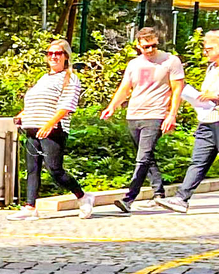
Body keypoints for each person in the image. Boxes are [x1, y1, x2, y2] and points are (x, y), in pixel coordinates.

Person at [99, 24, 184, 214]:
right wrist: (112, 106)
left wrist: (172, 114)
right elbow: (125, 88)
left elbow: (178, 89)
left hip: (156, 115)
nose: (150, 50)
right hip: (134, 114)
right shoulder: (134, 64)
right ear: (138, 46)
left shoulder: (170, 61)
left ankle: (129, 198)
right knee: (146, 156)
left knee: (143, 157)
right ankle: (159, 193)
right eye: (146, 47)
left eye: (153, 45)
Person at [15, 39, 85, 218]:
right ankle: (30, 207)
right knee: (32, 168)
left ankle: (82, 196)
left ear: (66, 57)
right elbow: (36, 101)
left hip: (53, 129)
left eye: (58, 53)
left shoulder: (70, 79)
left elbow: (67, 106)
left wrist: (50, 124)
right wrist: (22, 114)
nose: (53, 57)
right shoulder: (44, 78)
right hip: (32, 126)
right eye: (50, 53)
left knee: (55, 170)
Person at [178, 28, 219, 214]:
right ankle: (182, 198)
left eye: (209, 49)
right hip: (208, 118)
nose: (206, 52)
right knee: (198, 159)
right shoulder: (212, 68)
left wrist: (217, 95)